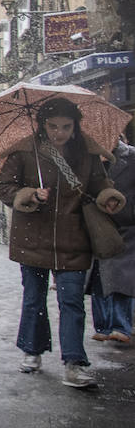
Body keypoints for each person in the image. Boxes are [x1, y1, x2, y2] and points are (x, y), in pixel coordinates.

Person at [0, 96, 125, 388]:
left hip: (74, 237)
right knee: (34, 300)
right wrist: (28, 194)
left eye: (66, 126)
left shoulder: (87, 153)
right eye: (53, 126)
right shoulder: (24, 151)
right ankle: (32, 350)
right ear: (42, 124)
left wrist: (109, 197)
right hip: (32, 238)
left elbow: (100, 184)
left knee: (72, 302)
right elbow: (3, 187)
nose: (59, 133)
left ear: (75, 126)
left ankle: (74, 362)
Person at [89, 139, 135, 345]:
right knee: (99, 277)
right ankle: (103, 326)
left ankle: (120, 326)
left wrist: (126, 208)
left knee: (121, 277)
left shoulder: (131, 157)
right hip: (99, 226)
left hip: (126, 226)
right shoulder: (89, 159)